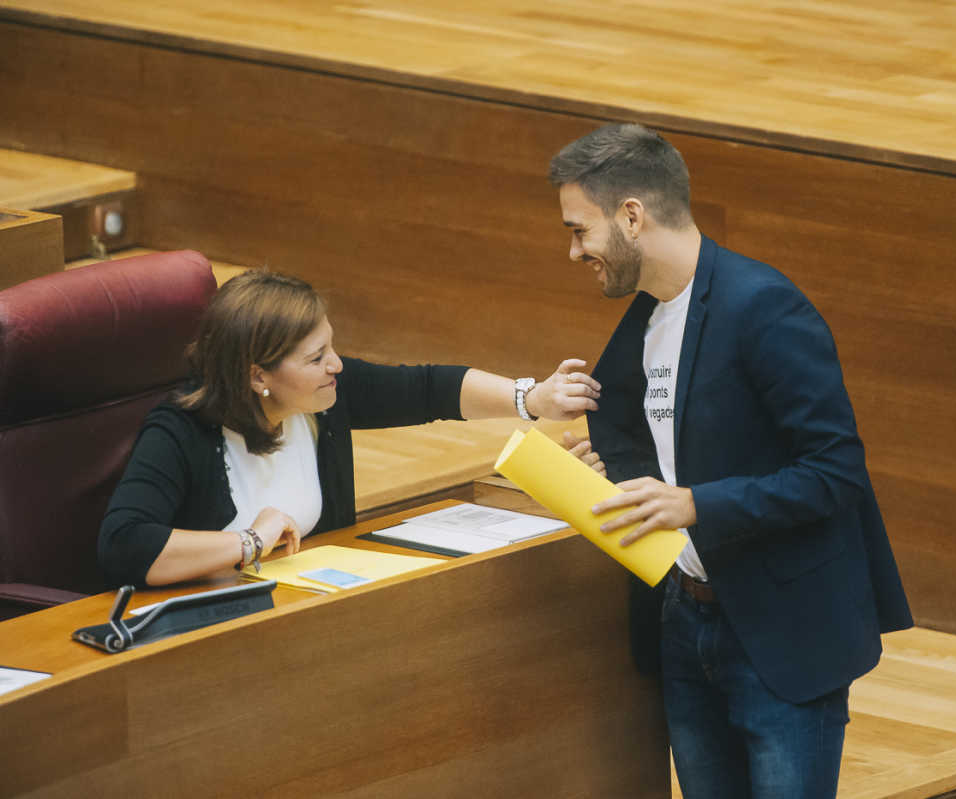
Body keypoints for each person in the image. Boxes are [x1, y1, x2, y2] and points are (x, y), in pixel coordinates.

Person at [548, 123, 912, 798]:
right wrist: (610, 474)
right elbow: (663, 448)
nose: (574, 251)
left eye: (580, 230)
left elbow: (836, 471)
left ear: (632, 216)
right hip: (685, 624)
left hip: (781, 635)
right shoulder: (644, 323)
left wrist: (696, 504)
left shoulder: (764, 307)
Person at [98, 270, 603, 587]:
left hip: (315, 612)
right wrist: (251, 541)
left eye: (332, 347)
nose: (337, 365)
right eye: (317, 357)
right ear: (258, 375)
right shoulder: (179, 433)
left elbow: (429, 389)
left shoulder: (323, 399)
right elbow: (125, 547)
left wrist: (532, 398)